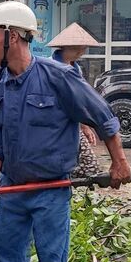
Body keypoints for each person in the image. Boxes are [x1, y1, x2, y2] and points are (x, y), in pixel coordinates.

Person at [0, 1, 131, 262]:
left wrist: (118, 162)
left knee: (51, 257)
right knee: (4, 251)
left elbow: (103, 117)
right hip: (11, 187)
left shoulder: (58, 77)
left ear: (11, 37)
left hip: (51, 188)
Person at [47, 23, 102, 178]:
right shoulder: (49, 67)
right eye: (77, 49)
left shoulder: (76, 69)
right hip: (55, 125)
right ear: (65, 48)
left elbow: (78, 100)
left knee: (90, 167)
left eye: (83, 49)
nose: (80, 53)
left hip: (72, 123)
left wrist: (84, 126)